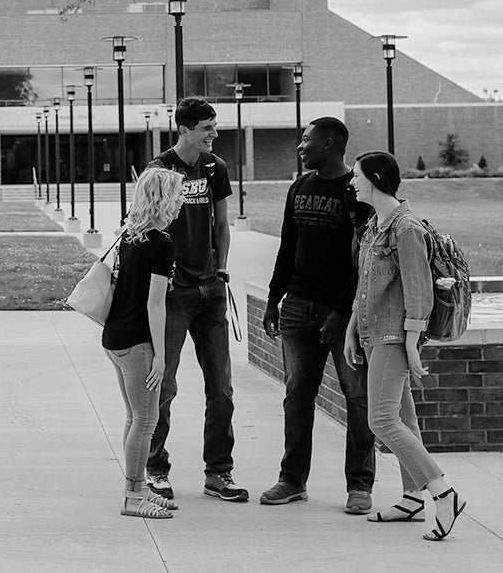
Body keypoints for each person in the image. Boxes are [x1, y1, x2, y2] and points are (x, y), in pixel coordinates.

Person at [344, 150, 467, 541]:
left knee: (381, 419)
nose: (352, 183)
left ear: (375, 179)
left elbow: (419, 293)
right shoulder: (375, 225)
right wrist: (352, 329)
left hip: (395, 335)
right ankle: (412, 497)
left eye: (357, 176)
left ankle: (442, 492)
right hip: (373, 331)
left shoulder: (406, 228)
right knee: (405, 420)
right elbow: (366, 285)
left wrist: (413, 345)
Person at [260, 118, 377, 514]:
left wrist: (341, 314)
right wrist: (275, 298)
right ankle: (292, 480)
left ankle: (359, 485)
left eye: (306, 141)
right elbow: (286, 248)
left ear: (330, 144)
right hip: (296, 307)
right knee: (297, 397)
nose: (300, 147)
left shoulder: (356, 194)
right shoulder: (299, 187)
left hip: (340, 315)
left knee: (357, 398)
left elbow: (363, 262)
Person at [144, 97, 245, 503]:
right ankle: (155, 468)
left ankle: (219, 473)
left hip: (210, 290)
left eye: (214, 126)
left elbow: (222, 225)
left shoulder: (215, 168)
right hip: (172, 293)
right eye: (207, 128)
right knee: (163, 386)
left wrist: (221, 270)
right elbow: (146, 227)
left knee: (221, 387)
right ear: (184, 129)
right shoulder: (158, 169)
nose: (214, 134)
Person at [102, 167, 187, 519]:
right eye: (178, 195)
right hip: (137, 342)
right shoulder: (161, 244)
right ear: (164, 199)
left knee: (134, 417)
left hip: (115, 338)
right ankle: (134, 497)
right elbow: (155, 303)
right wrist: (161, 357)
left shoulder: (130, 235)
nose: (182, 202)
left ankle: (133, 489)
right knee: (146, 421)